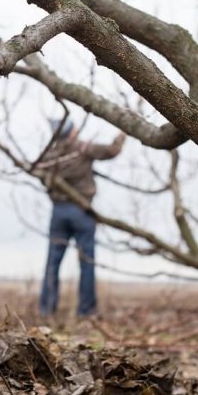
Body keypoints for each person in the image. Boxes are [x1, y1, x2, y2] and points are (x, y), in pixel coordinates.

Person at [37, 119, 126, 317]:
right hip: (82, 211)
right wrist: (122, 133)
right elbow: (112, 151)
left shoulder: (49, 154)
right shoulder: (82, 148)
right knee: (87, 261)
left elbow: (39, 172)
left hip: (58, 212)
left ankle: (46, 309)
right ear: (70, 132)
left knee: (53, 262)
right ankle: (86, 311)